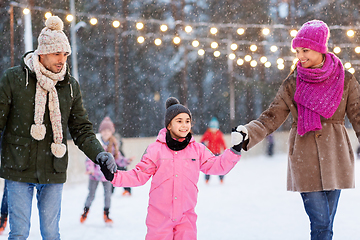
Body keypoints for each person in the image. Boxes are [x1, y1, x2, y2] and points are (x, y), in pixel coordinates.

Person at [234, 20, 360, 240]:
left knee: (328, 223)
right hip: (305, 160)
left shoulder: (345, 79)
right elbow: (272, 116)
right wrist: (248, 132)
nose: (300, 56)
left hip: (335, 157)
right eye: (298, 51)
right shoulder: (293, 83)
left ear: (321, 48)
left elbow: (358, 114)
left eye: (306, 50)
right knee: (320, 223)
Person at [0, 16, 117, 239]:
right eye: (57, 54)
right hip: (17, 167)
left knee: (52, 234)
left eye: (65, 54)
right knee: (19, 233)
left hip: (53, 168)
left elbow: (81, 128)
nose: (62, 60)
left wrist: (100, 154)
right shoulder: (14, 79)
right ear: (42, 53)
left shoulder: (69, 86)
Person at [98, 97, 246, 240]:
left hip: (186, 218)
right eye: (179, 121)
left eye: (187, 121)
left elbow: (217, 166)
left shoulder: (197, 149)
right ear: (169, 125)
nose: (185, 125)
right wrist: (113, 176)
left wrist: (234, 150)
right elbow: (138, 175)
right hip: (159, 219)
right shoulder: (155, 150)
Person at [80, 117, 122, 224]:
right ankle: (85, 212)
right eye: (104, 130)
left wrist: (126, 161)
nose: (106, 133)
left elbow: (118, 158)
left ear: (111, 132)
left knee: (108, 195)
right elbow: (89, 158)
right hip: (94, 175)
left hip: (106, 176)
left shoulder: (113, 144)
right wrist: (89, 169)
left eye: (108, 130)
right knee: (91, 194)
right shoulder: (97, 143)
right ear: (101, 131)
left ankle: (106, 215)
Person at [200, 117, 227, 183]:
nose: (213, 129)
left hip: (217, 152)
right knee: (208, 166)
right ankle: (207, 179)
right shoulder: (208, 133)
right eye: (212, 128)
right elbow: (202, 141)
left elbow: (222, 142)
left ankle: (221, 179)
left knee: (219, 166)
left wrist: (225, 150)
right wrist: (203, 145)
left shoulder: (219, 134)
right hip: (209, 153)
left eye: (214, 128)